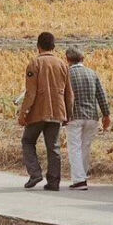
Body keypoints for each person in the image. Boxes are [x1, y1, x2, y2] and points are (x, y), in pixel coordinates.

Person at [18, 30, 73, 190]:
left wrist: (23, 113)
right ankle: (54, 182)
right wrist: (68, 114)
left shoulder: (34, 64)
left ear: (38, 46)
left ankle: (35, 173)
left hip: (38, 112)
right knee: (53, 147)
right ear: (54, 46)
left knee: (28, 141)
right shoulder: (63, 64)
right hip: (57, 111)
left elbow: (31, 93)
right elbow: (69, 93)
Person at [64, 46, 111, 189]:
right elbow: (101, 95)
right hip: (92, 116)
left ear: (67, 59)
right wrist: (106, 115)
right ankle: (82, 176)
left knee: (74, 148)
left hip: (74, 116)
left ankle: (79, 180)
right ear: (82, 58)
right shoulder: (92, 73)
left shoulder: (67, 74)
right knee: (85, 147)